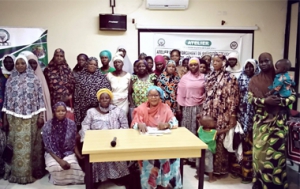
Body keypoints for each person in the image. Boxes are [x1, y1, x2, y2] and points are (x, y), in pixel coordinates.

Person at [248, 52, 296, 189]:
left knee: (276, 156)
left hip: (278, 123)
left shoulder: (282, 77)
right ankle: (259, 183)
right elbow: (250, 99)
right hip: (260, 123)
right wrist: (265, 101)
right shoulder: (254, 80)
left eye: (266, 61)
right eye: (261, 61)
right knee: (259, 155)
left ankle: (276, 184)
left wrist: (279, 102)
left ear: (272, 62)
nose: (263, 64)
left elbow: (292, 97)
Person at [2, 55, 45, 184]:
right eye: (18, 64)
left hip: (31, 118)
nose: (20, 65)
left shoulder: (35, 80)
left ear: (26, 65)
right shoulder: (10, 80)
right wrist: (5, 119)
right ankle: (17, 174)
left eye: (22, 63)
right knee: (16, 147)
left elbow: (40, 99)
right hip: (14, 118)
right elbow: (6, 101)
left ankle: (31, 172)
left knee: (31, 145)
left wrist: (41, 116)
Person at [131, 86, 182, 189]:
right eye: (151, 95)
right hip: (147, 142)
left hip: (163, 140)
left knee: (172, 155)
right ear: (147, 96)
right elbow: (133, 125)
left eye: (156, 95)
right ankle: (150, 185)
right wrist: (139, 125)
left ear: (160, 96)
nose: (153, 98)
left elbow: (175, 123)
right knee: (148, 158)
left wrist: (167, 125)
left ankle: (166, 183)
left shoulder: (165, 108)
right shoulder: (141, 108)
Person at [79, 89, 130, 187]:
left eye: (107, 98)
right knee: (96, 156)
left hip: (114, 141)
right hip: (97, 142)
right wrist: (86, 141)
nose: (104, 100)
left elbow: (125, 126)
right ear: (99, 100)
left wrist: (118, 136)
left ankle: (118, 177)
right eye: (102, 98)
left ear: (110, 99)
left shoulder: (118, 111)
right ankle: (99, 179)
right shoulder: (91, 112)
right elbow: (85, 126)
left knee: (116, 155)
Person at [202, 54, 239, 176]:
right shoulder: (209, 76)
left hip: (223, 112)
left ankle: (219, 168)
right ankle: (208, 168)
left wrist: (233, 115)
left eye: (218, 61)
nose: (215, 63)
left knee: (220, 138)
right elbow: (206, 94)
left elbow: (234, 97)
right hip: (210, 111)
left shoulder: (230, 77)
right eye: (213, 61)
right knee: (209, 138)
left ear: (224, 62)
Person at [42, 101, 85, 185]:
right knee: (55, 167)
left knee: (72, 165)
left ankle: (67, 180)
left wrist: (79, 155)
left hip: (67, 151)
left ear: (66, 111)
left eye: (63, 111)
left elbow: (73, 143)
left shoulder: (71, 124)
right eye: (58, 111)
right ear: (54, 112)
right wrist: (60, 161)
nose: (61, 113)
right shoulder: (47, 125)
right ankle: (56, 179)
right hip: (52, 153)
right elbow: (48, 146)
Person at [176, 58, 206, 166]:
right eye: (191, 65)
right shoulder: (184, 78)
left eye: (195, 65)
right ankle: (186, 156)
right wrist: (178, 108)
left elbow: (207, 92)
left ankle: (195, 158)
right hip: (187, 107)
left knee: (198, 132)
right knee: (187, 132)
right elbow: (180, 93)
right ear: (188, 66)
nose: (193, 67)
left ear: (199, 65)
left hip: (200, 107)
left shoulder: (204, 77)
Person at [237, 59, 260, 183]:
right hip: (242, 115)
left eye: (251, 67)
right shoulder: (241, 78)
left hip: (256, 116)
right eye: (247, 67)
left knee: (255, 145)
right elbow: (237, 96)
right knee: (244, 144)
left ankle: (256, 174)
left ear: (255, 68)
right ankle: (245, 173)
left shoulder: (260, 79)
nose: (249, 69)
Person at [74, 57, 111, 131]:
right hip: (83, 108)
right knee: (85, 128)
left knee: (98, 128)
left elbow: (107, 93)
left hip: (98, 109)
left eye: (95, 65)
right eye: (90, 64)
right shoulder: (80, 77)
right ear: (87, 64)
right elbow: (77, 96)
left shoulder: (102, 77)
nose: (92, 66)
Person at [197, 116, 230, 182]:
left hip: (200, 148)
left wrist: (198, 119)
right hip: (208, 150)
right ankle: (210, 178)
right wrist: (228, 128)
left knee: (199, 162)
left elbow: (200, 124)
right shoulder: (213, 132)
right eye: (213, 121)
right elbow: (222, 131)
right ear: (208, 125)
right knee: (209, 163)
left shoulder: (200, 129)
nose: (215, 122)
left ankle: (198, 175)